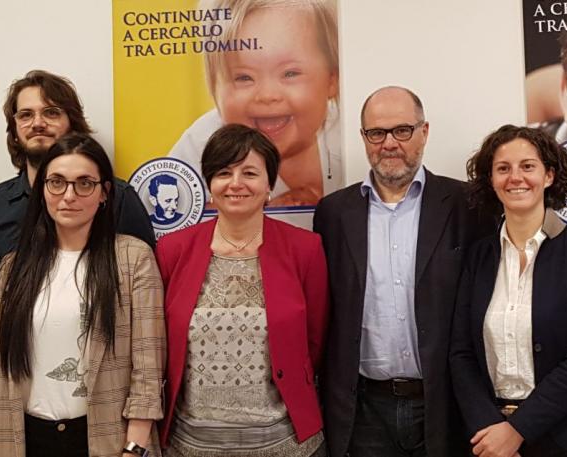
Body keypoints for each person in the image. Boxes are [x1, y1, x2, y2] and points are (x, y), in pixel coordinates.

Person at [0, 70, 156, 457]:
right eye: (26, 114)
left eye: (51, 111)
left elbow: (145, 346)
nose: (70, 196)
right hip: (10, 407)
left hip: (101, 420)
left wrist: (134, 447)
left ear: (102, 194)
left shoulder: (125, 220)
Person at [313, 86, 494, 457]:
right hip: (364, 410)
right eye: (376, 133)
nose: (389, 143)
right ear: (364, 138)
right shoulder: (333, 213)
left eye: (402, 130)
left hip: (445, 403)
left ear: (424, 132)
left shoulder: (468, 205)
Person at [157, 124, 329, 456]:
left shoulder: (305, 249)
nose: (236, 183)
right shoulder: (172, 250)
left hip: (287, 444)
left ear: (269, 185)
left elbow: (315, 342)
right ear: (209, 184)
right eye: (224, 172)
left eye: (249, 172)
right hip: (190, 445)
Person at [451, 125, 567, 456]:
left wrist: (517, 429)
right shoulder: (479, 256)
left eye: (528, 166)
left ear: (550, 176)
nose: (516, 177)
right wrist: (492, 432)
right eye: (503, 168)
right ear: (492, 180)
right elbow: (461, 353)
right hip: (490, 440)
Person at [169, 0, 340, 207]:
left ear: (332, 79)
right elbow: (172, 218)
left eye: (290, 73)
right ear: (214, 86)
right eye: (244, 78)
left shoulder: (347, 131)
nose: (267, 95)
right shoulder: (200, 146)